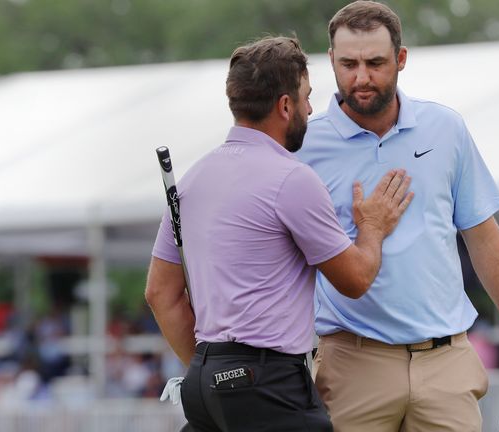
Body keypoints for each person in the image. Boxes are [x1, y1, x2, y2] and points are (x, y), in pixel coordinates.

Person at [297, 2, 499, 430]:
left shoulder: (446, 129)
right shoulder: (303, 145)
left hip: (445, 362)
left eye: (375, 62)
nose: (361, 77)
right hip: (351, 362)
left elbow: (485, 240)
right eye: (348, 63)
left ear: (401, 59)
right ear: (331, 62)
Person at [146, 36, 413, 432]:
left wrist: (215, 371)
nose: (309, 107)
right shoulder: (292, 179)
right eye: (305, 97)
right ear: (285, 106)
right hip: (268, 383)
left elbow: (159, 294)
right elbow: (355, 279)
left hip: (205, 380)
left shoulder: (193, 178)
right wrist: (372, 228)